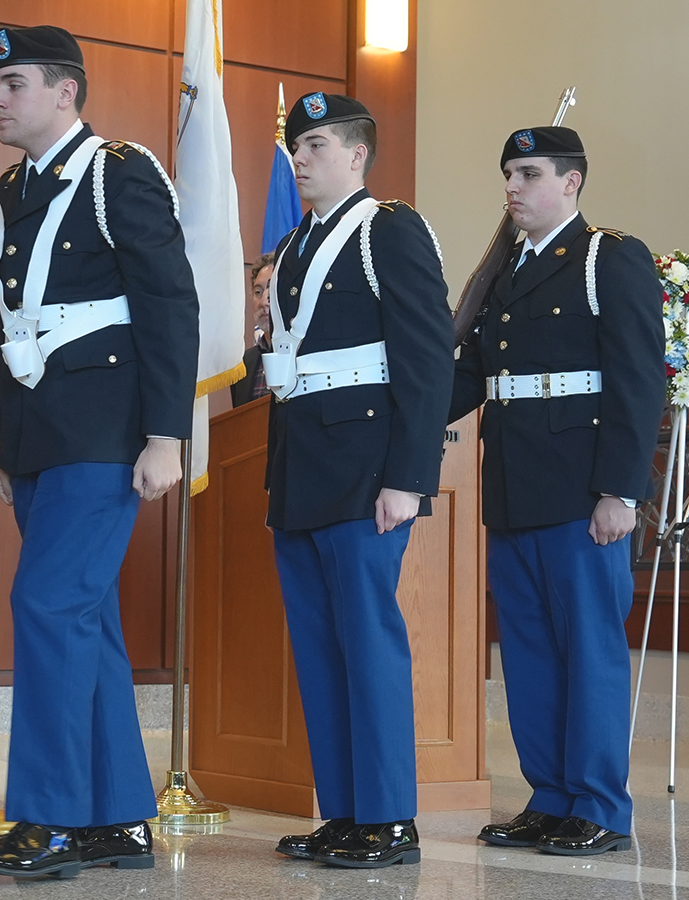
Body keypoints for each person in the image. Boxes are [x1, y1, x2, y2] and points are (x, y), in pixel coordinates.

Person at [0, 24, 198, 880]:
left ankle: (50, 819)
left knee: (50, 606)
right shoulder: (6, 191)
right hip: (39, 437)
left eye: (15, 83)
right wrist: (5, 447)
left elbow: (170, 305)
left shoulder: (118, 171)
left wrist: (168, 435)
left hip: (106, 431)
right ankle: (115, 820)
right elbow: (13, 324)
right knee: (83, 622)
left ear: (66, 91)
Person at [450, 126, 663, 857]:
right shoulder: (506, 274)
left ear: (570, 182)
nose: (513, 186)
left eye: (529, 172)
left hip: (581, 493)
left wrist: (619, 491)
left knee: (589, 652)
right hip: (513, 487)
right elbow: (473, 375)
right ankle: (550, 797)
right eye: (508, 172)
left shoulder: (609, 257)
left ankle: (601, 805)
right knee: (531, 655)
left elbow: (639, 381)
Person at [259, 93, 451, 869]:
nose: (299, 158)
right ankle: (342, 813)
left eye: (314, 144)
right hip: (302, 468)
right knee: (319, 646)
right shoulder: (296, 243)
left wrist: (409, 477)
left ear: (356, 155)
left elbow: (426, 357)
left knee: (368, 643)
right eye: (294, 145)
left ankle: (389, 819)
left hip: (367, 469)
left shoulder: (389, 229)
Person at [229, 253, 277, 407]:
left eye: (272, 290)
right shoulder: (242, 364)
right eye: (258, 292)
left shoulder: (308, 356)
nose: (264, 301)